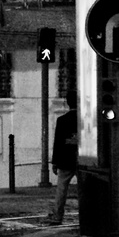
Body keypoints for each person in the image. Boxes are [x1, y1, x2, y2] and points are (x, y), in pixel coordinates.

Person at [48, 89, 78, 224]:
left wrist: (55, 162)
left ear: (67, 103)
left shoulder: (62, 120)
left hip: (65, 160)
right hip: (83, 160)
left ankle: (57, 216)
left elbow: (58, 143)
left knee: (61, 190)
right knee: (85, 190)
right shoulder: (86, 120)